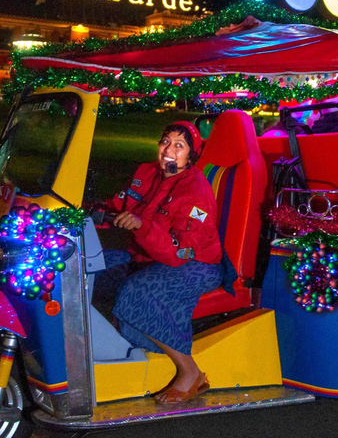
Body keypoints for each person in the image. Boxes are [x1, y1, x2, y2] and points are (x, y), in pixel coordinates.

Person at [95, 121, 235, 404]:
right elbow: (123, 203)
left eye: (179, 145)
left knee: (136, 291)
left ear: (191, 156)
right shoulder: (148, 172)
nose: (169, 150)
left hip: (196, 263)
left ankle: (190, 372)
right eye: (165, 142)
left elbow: (178, 253)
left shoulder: (196, 192)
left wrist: (140, 226)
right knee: (90, 270)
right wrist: (94, 207)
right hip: (146, 255)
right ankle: (118, 346)